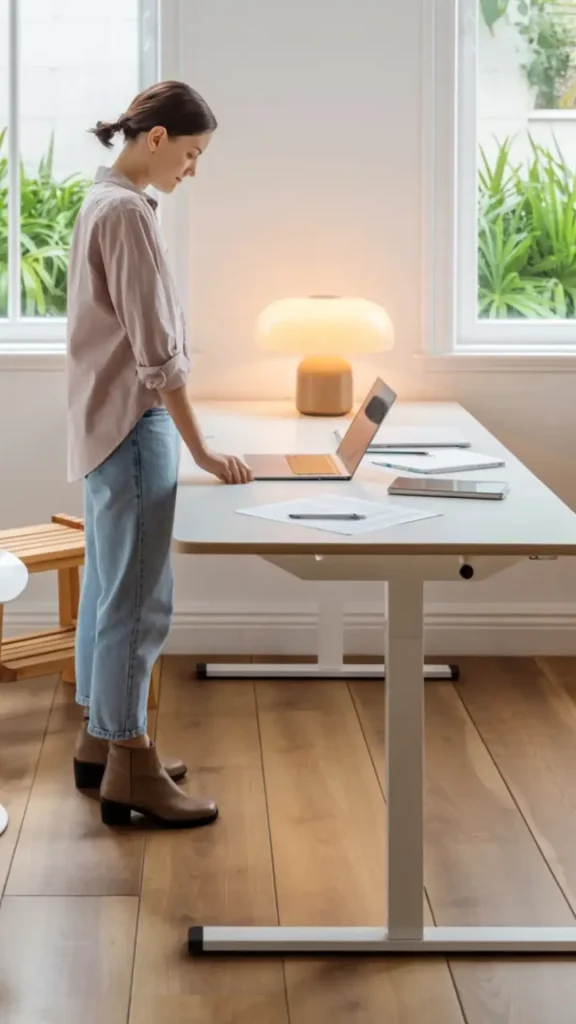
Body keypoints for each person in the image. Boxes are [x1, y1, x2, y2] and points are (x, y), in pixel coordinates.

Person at [66, 80, 252, 830]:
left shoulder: (100, 202)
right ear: (157, 139)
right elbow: (158, 357)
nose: (193, 170)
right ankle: (130, 764)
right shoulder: (129, 216)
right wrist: (203, 447)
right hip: (135, 429)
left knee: (109, 591)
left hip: (100, 427)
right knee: (140, 604)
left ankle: (98, 741)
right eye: (194, 153)